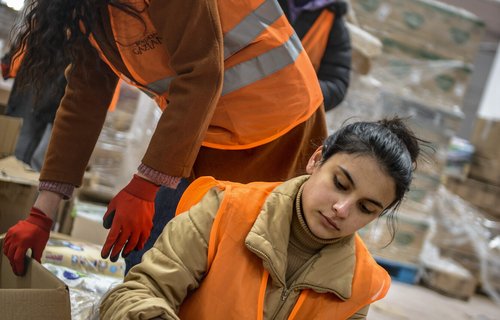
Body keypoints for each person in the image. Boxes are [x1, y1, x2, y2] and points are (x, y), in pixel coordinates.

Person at [2, 0, 327, 276]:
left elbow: (201, 74)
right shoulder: (90, 8)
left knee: (205, 260)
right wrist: (42, 212)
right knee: (154, 258)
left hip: (276, 120)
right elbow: (84, 97)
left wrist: (145, 186)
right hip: (210, 122)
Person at [99, 117, 422, 319]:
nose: (342, 209)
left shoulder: (359, 284)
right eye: (340, 184)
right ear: (315, 159)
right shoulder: (226, 210)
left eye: (366, 208)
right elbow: (137, 293)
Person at [279, 0, 351, 111]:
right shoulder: (262, 3)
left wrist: (297, 90)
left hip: (285, 113)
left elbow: (337, 86)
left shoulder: (333, 22)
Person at [1, 49, 67, 171]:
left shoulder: (35, 36)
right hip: (37, 104)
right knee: (20, 160)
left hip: (31, 97)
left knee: (14, 156)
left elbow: (6, 67)